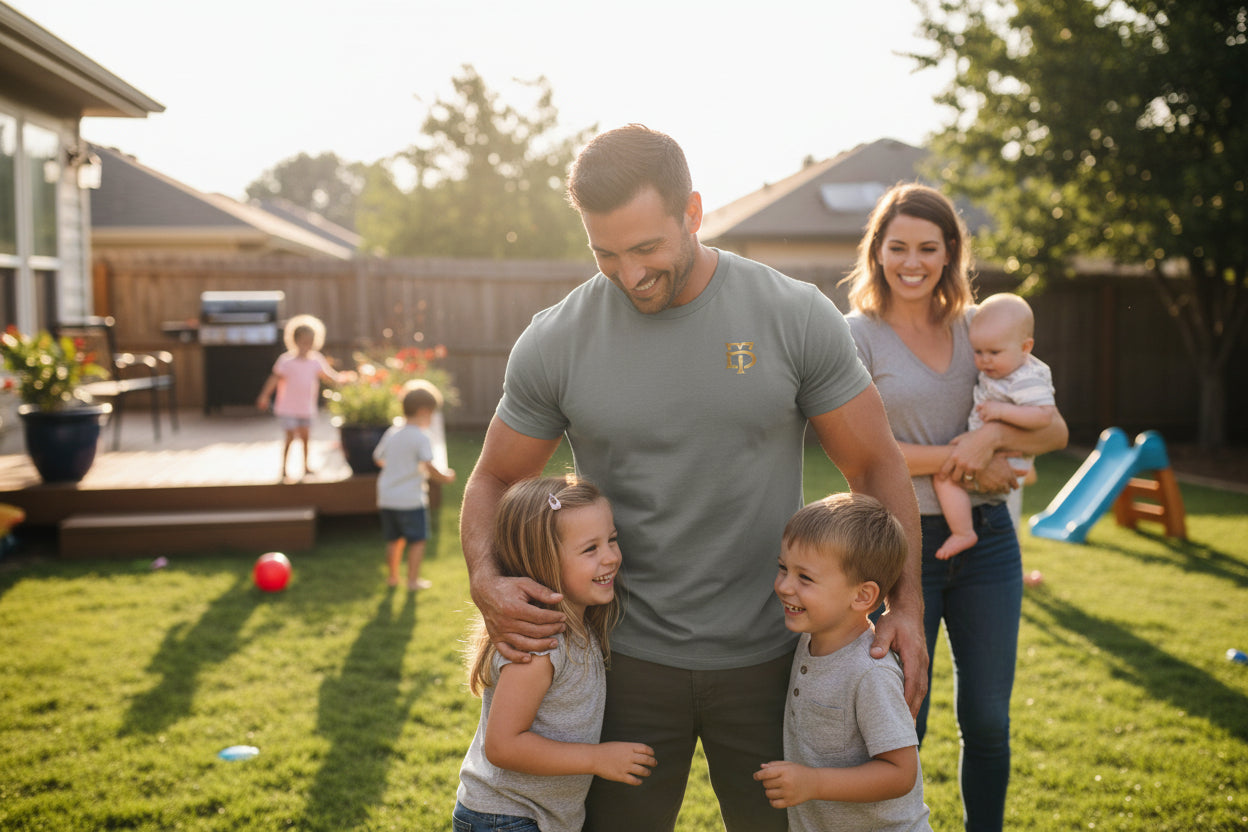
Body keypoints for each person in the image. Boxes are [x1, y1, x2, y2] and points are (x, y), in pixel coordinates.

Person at [459, 124, 925, 832]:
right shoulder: (558, 339)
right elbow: (492, 478)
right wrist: (486, 579)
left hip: (775, 656)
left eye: (647, 248)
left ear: (694, 213)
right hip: (628, 660)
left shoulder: (792, 315)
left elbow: (873, 464)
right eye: (606, 254)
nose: (630, 273)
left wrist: (908, 607)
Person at [843, 182, 1068, 831]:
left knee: (989, 721)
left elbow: (1052, 429)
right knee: (902, 716)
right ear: (877, 251)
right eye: (898, 247)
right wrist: (962, 458)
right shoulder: (856, 336)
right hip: (896, 546)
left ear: (950, 254)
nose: (912, 262)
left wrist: (990, 435)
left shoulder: (983, 329)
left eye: (928, 248)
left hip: (989, 540)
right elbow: (863, 453)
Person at [455, 476, 657, 832]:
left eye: (611, 540)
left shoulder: (581, 625)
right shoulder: (540, 646)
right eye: (590, 549)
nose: (611, 557)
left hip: (536, 817)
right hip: (507, 818)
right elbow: (502, 746)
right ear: (543, 561)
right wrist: (597, 759)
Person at [755, 493, 932, 832]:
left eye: (804, 578)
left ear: (862, 596)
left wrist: (814, 783)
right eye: (783, 568)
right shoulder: (808, 639)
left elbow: (901, 772)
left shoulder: (870, 672)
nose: (784, 586)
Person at [930, 292, 1056, 559]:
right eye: (978, 352)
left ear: (1025, 347)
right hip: (992, 452)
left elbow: (1044, 415)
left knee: (944, 477)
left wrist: (1001, 412)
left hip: (1007, 459)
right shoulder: (1002, 371)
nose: (985, 360)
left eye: (994, 352)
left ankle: (963, 532)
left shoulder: (1026, 378)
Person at [373, 380, 456, 590]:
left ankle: (392, 578)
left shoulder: (393, 432)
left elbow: (378, 459)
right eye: (432, 414)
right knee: (417, 541)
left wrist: (396, 466)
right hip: (410, 500)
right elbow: (429, 466)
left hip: (387, 497)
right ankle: (412, 581)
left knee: (394, 540)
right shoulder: (421, 437)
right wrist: (445, 477)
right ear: (423, 411)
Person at [255, 314, 344, 481]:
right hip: (288, 407)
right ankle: (284, 467)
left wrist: (343, 380)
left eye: (310, 342)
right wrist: (264, 396)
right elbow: (274, 379)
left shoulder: (316, 360)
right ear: (294, 341)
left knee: (305, 437)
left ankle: (305, 465)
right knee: (289, 437)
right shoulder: (286, 361)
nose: (306, 346)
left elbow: (329, 376)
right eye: (303, 341)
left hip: (306, 407)